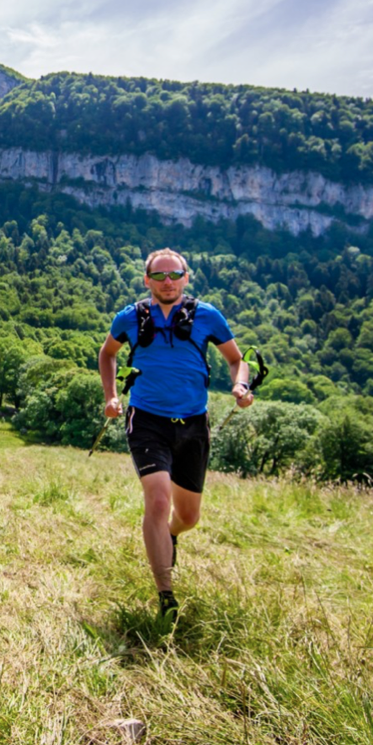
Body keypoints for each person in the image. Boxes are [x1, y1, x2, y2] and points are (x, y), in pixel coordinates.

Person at [98, 248, 253, 623]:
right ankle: (165, 594)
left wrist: (241, 385)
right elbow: (107, 354)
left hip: (193, 424)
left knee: (188, 516)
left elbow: (237, 359)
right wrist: (111, 396)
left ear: (186, 277)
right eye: (159, 276)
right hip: (147, 420)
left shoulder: (208, 315)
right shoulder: (129, 317)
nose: (167, 282)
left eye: (174, 275)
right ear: (146, 280)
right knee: (157, 501)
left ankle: (170, 536)